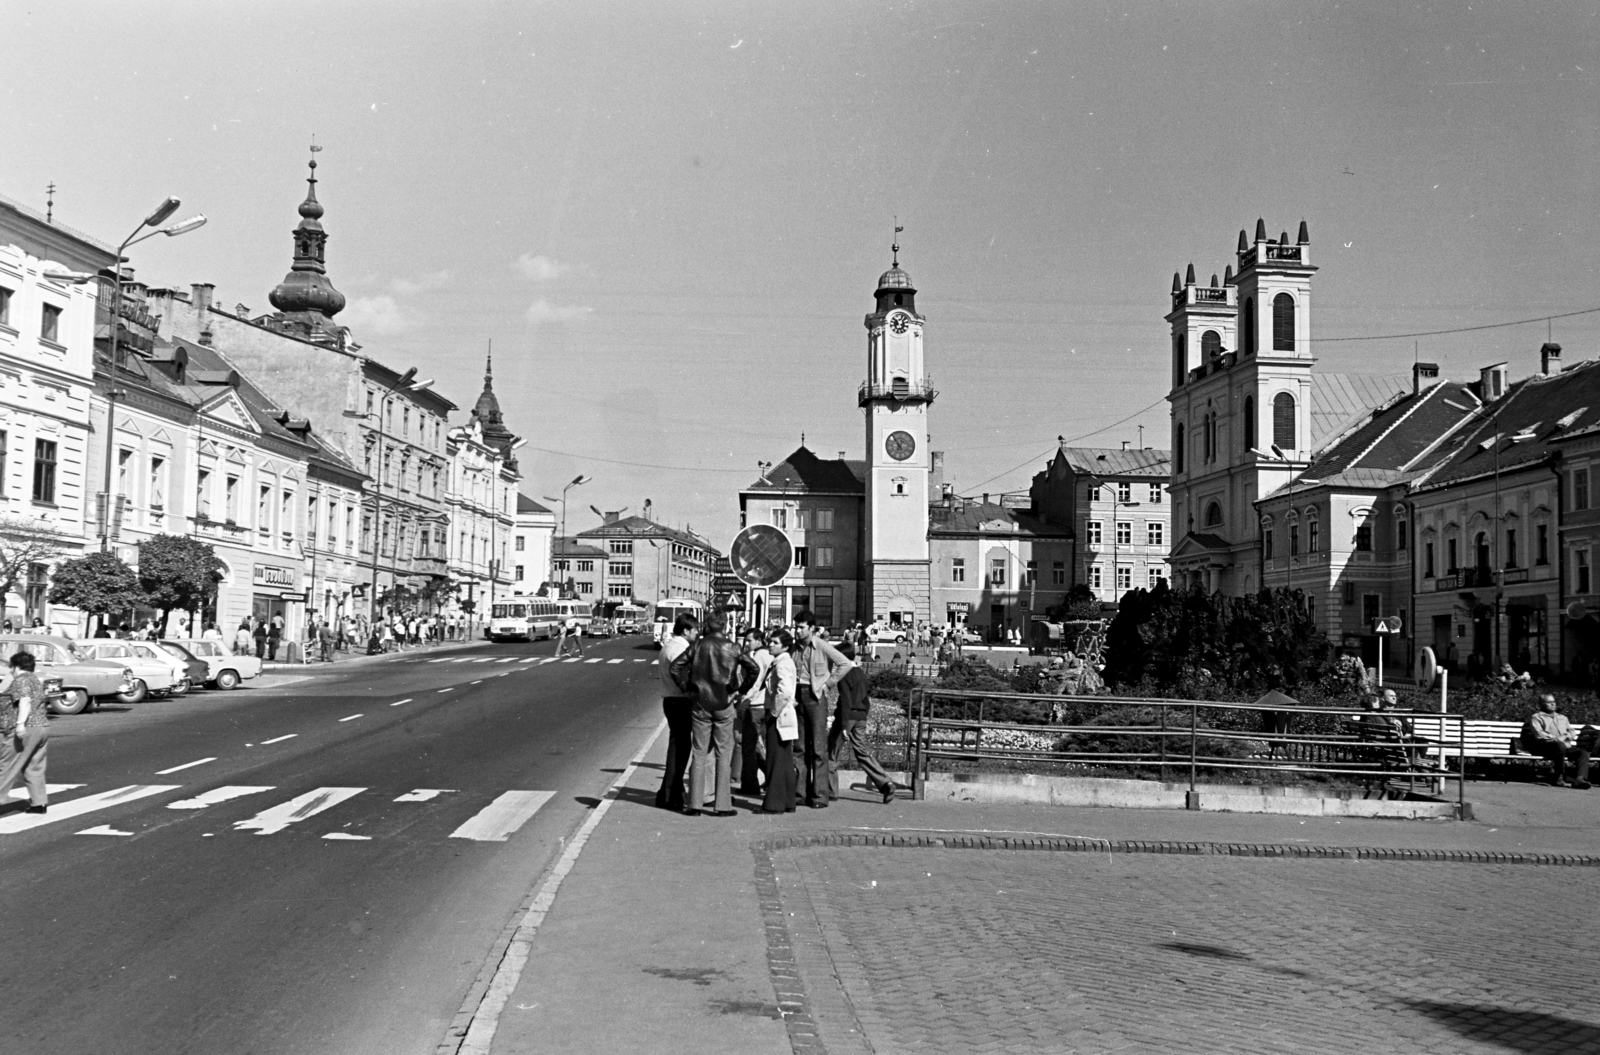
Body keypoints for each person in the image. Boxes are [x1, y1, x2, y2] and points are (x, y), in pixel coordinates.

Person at [684, 611, 745, 817]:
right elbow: (752, 668)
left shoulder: (698, 645)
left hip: (701, 704)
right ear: (726, 626)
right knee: (723, 754)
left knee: (699, 753)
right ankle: (722, 805)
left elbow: (676, 667)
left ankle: (694, 804)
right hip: (724, 704)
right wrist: (738, 688)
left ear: (708, 626)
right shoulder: (733, 647)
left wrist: (689, 689)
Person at [793, 609, 852, 809]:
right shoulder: (795, 648)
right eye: (796, 627)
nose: (797, 631)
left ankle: (819, 796)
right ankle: (800, 793)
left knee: (818, 747)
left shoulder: (822, 646)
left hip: (816, 697)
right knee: (800, 747)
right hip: (796, 697)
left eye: (801, 627)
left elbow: (845, 663)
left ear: (811, 628)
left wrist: (828, 684)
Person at [827, 641, 897, 803]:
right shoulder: (860, 673)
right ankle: (885, 782)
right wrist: (863, 714)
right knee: (862, 752)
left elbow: (845, 699)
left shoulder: (844, 673)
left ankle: (831, 791)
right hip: (860, 717)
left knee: (831, 753)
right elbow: (866, 698)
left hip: (847, 717)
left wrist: (844, 724)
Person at [654, 613, 700, 811]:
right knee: (680, 750)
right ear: (686, 630)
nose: (697, 633)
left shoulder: (669, 646)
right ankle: (670, 795)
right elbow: (679, 670)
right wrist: (689, 689)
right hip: (680, 701)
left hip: (670, 700)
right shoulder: (681, 649)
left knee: (677, 747)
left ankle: (669, 792)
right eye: (695, 630)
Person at [0, 651, 49, 814]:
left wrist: (20, 724)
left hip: (24, 729)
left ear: (15, 667)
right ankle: (39, 803)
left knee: (6, 767)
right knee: (33, 766)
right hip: (41, 727)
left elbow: (25, 700)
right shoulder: (35, 679)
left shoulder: (21, 680)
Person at [762, 629, 800, 814]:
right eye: (770, 641)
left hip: (779, 717)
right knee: (784, 761)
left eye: (775, 642)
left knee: (776, 760)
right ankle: (787, 802)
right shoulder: (782, 661)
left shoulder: (782, 664)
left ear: (785, 646)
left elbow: (784, 691)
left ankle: (774, 803)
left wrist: (773, 712)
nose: (770, 644)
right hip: (785, 716)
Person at [1520, 694, 1592, 789]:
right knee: (1559, 745)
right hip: (1545, 746)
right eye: (1549, 702)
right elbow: (1539, 734)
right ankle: (1559, 777)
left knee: (1583, 753)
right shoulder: (1536, 718)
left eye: (1554, 702)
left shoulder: (1563, 718)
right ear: (1541, 704)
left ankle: (1580, 779)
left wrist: (1566, 736)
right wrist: (1557, 739)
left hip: (1563, 746)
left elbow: (1571, 731)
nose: (1553, 704)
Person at [735, 627, 773, 797]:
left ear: (759, 640)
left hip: (755, 704)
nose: (747, 643)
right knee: (755, 744)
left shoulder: (758, 656)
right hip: (766, 704)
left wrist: (744, 698)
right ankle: (769, 777)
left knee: (749, 747)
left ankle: (750, 785)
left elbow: (755, 681)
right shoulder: (770, 655)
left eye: (750, 640)